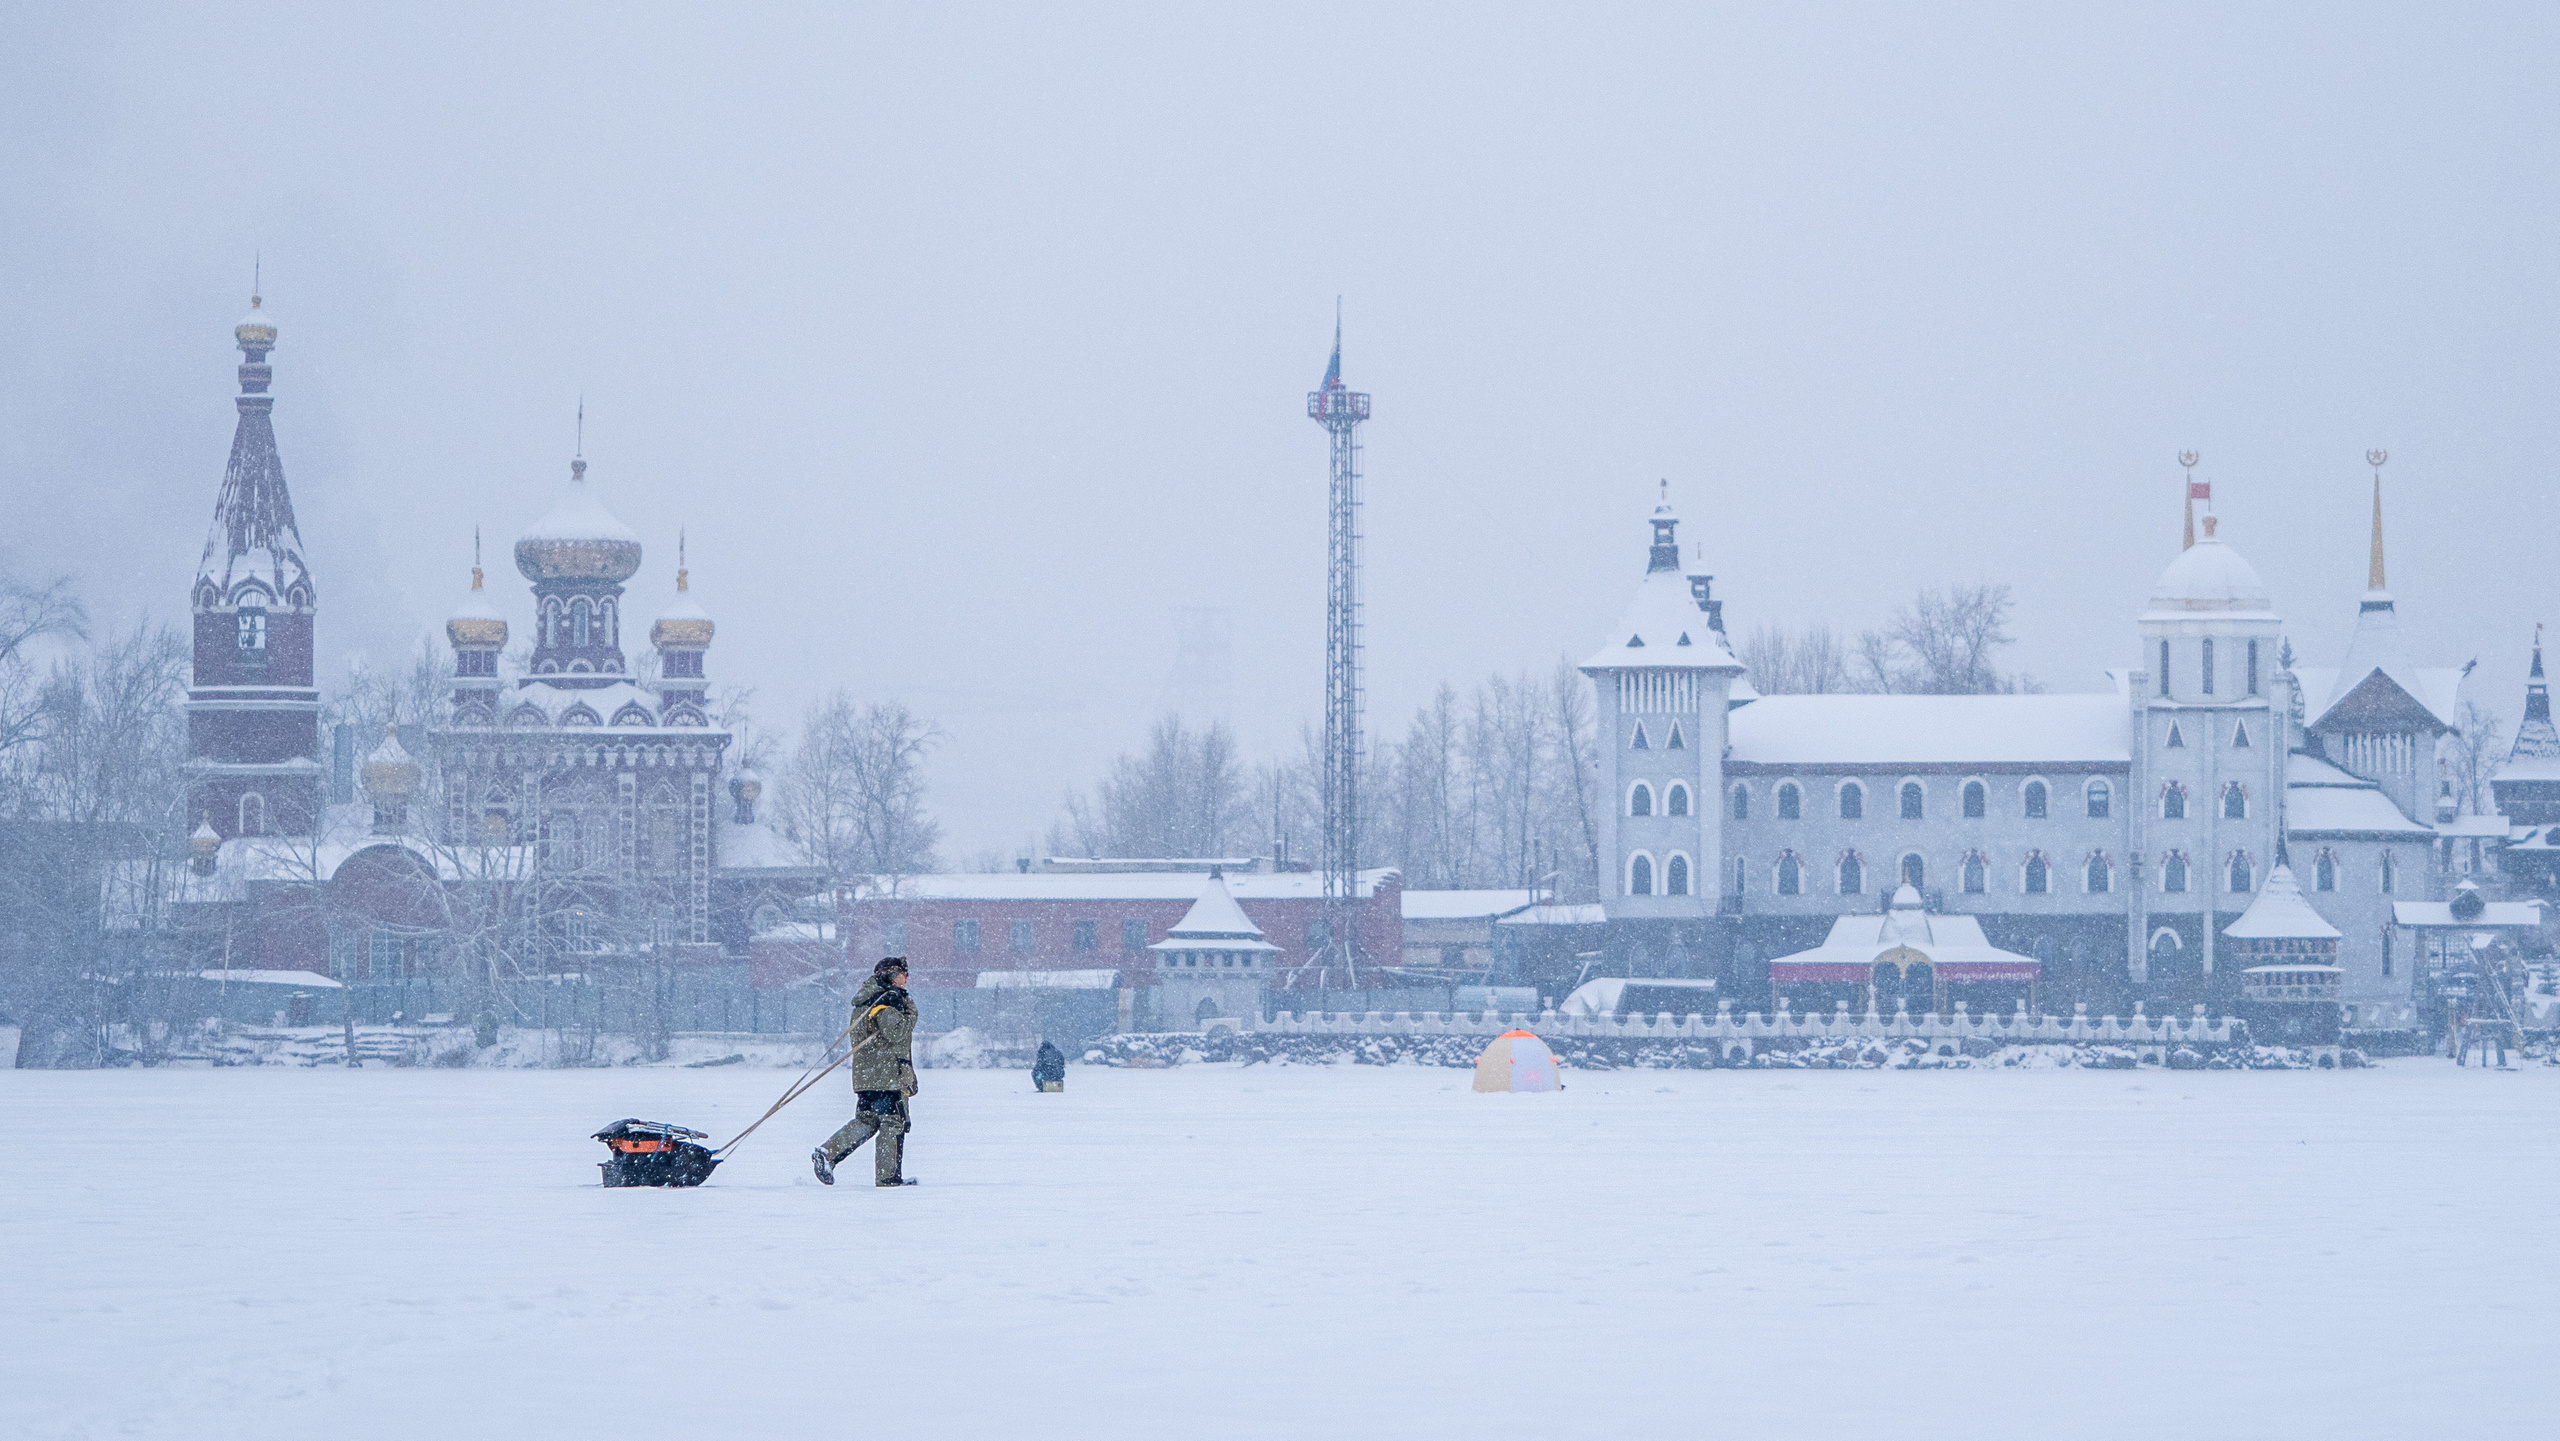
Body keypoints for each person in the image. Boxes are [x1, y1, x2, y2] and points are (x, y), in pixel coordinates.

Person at [812, 957, 920, 1187]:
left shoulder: (867, 999)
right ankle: (888, 1178)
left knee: (867, 1121)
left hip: (868, 1076)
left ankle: (827, 1153)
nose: (907, 978)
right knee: (893, 1122)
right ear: (891, 975)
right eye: (903, 973)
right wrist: (910, 1011)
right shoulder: (886, 1001)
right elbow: (898, 1033)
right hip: (886, 1077)